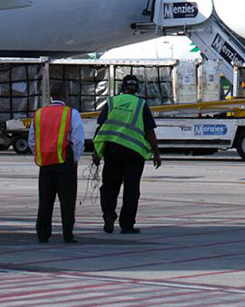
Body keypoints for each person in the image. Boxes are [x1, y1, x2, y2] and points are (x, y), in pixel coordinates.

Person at [93, 75, 161, 234]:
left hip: (113, 150)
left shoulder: (111, 102)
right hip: (134, 152)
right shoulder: (141, 104)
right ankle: (127, 224)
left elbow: (100, 128)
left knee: (110, 184)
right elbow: (149, 131)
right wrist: (156, 153)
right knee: (131, 189)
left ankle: (108, 215)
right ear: (136, 88)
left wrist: (96, 152)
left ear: (122, 87)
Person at [29, 85, 84, 244]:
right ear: (65, 96)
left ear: (51, 97)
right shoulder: (71, 113)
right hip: (64, 162)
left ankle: (42, 234)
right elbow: (78, 139)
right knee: (67, 201)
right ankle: (68, 233)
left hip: (45, 162)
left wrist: (40, 154)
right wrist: (75, 158)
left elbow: (32, 140)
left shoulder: (39, 114)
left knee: (45, 200)